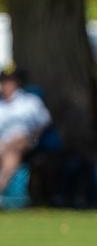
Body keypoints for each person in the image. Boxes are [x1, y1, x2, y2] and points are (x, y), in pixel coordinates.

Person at [0, 64, 51, 195]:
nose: (7, 86)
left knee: (16, 142)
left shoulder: (30, 102)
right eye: (4, 82)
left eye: (10, 82)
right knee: (11, 154)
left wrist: (33, 137)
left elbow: (44, 123)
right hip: (5, 145)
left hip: (26, 141)